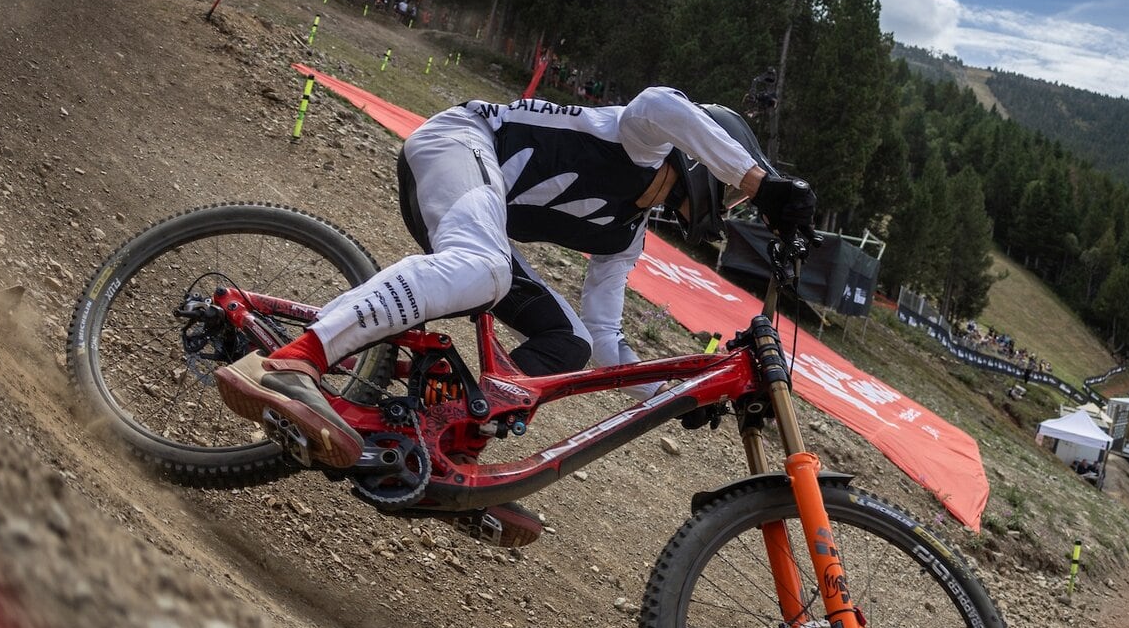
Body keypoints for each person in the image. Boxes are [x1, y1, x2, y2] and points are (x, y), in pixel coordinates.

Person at [216, 89, 814, 473]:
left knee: (570, 341)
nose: (730, 203)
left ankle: (439, 439)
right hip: (458, 140)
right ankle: (298, 359)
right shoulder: (640, 139)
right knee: (486, 266)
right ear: (704, 160)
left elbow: (606, 337)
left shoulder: (626, 235)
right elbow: (663, 103)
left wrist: (670, 397)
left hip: (476, 210)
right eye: (731, 191)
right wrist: (763, 184)